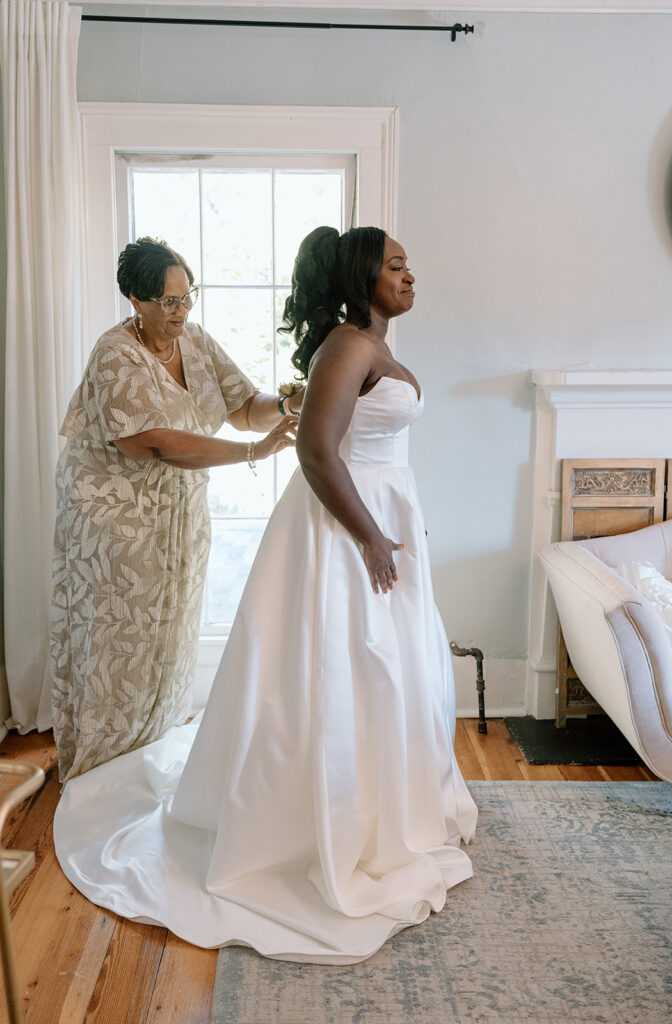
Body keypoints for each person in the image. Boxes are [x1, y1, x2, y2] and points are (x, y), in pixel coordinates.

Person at [53, 226, 478, 965]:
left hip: (332, 509)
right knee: (313, 663)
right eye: (396, 266)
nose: (411, 276)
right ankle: (292, 814)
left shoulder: (322, 347)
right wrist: (370, 533)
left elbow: (253, 404)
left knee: (366, 664)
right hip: (142, 514)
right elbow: (296, 448)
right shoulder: (340, 345)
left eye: (188, 298)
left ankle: (375, 802)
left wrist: (279, 412)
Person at [50, 236, 300, 782]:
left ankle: (150, 754)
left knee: (170, 634)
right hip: (114, 520)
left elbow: (242, 406)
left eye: (188, 297)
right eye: (168, 302)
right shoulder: (114, 353)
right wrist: (254, 452)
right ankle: (101, 769)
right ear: (135, 300)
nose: (181, 311)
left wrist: (288, 403)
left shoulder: (196, 340)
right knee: (120, 643)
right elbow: (153, 443)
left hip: (179, 513)